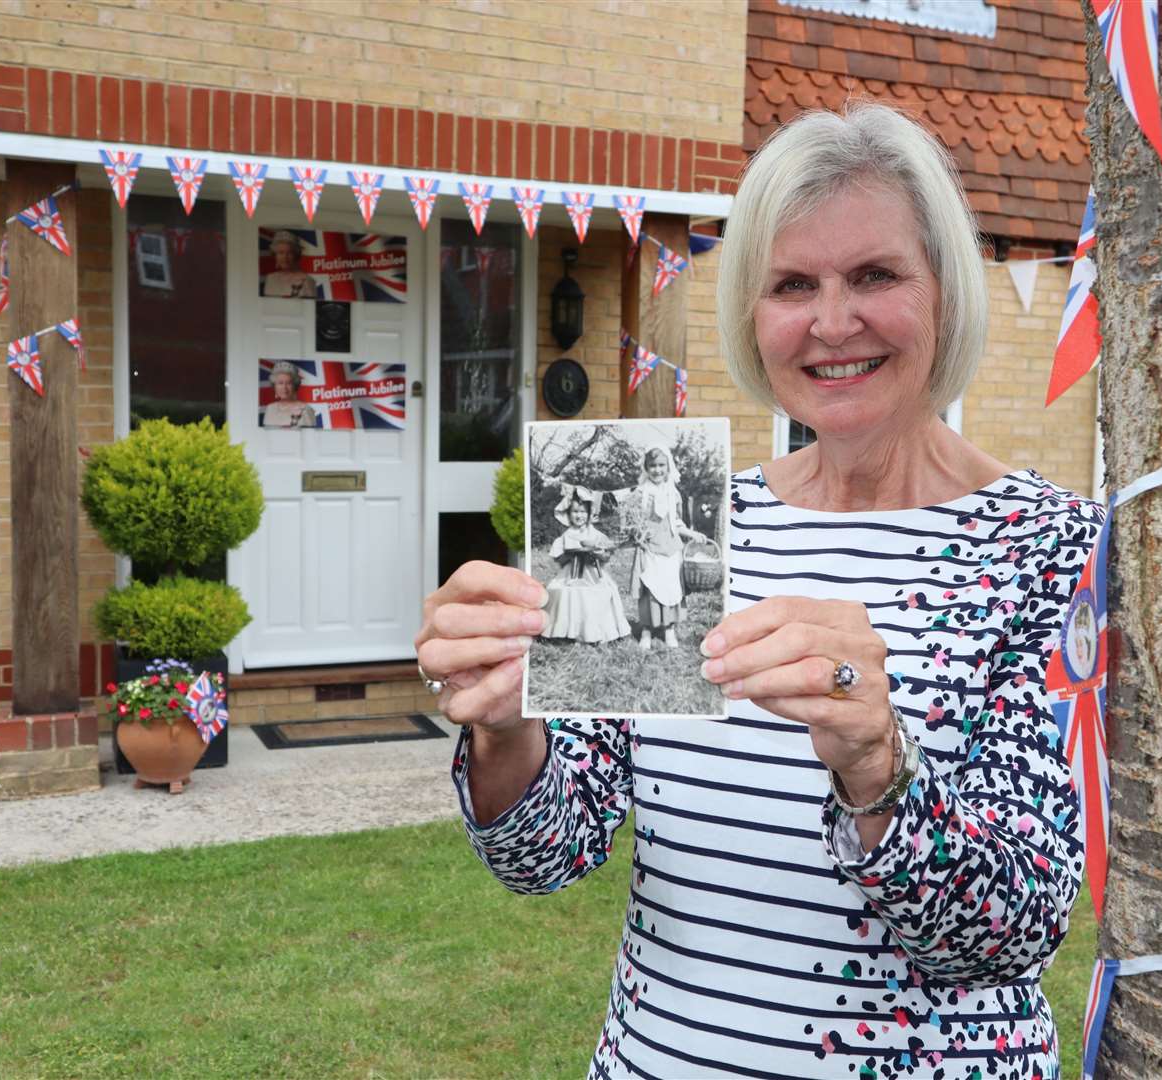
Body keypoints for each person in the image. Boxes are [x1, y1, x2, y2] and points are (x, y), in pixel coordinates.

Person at [416, 102, 1102, 1078]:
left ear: (946, 291)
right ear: (752, 314)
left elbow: (1014, 931)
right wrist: (506, 725)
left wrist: (878, 761)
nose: (832, 322)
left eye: (875, 275)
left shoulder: (1049, 547)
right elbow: (547, 853)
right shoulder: (663, 511)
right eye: (791, 284)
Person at [626, 445, 703, 650]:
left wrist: (692, 534)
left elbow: (676, 522)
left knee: (670, 587)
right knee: (651, 587)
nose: (657, 470)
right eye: (652, 466)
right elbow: (632, 521)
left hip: (670, 546)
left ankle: (669, 628)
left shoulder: (673, 493)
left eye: (661, 465)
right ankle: (647, 630)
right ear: (646, 467)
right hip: (649, 546)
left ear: (668, 467)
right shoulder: (640, 493)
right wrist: (638, 533)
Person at [541, 487, 631, 645]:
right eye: (575, 511)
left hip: (592, 573)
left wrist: (598, 553)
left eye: (583, 512)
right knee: (566, 594)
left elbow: (606, 555)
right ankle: (568, 632)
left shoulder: (595, 534)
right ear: (568, 514)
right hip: (571, 573)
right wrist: (568, 555)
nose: (579, 515)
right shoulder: (566, 535)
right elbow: (559, 559)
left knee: (598, 593)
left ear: (589, 514)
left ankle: (596, 632)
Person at [262, 230, 317, 298]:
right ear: (275, 255)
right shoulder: (270, 278)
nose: (285, 257)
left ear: (296, 255)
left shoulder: (307, 281)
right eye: (281, 253)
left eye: (290, 253)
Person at [262, 361, 316, 428]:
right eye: (280, 383)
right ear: (274, 386)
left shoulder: (306, 410)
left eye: (289, 383)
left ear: (295, 385)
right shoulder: (270, 409)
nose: (284, 387)